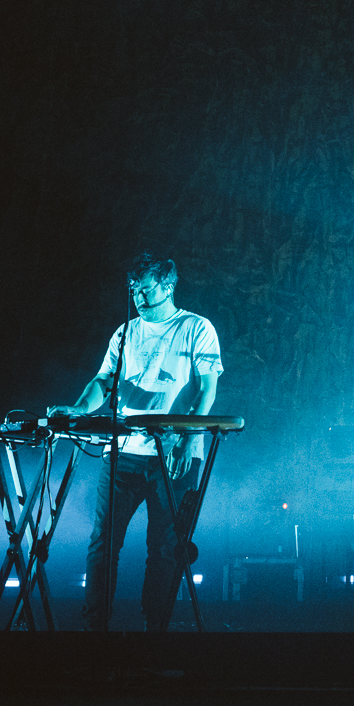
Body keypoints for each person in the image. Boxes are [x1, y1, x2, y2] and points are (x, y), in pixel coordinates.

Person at [50, 254, 222, 632]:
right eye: (134, 290)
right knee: (102, 543)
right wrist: (79, 408)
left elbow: (207, 390)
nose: (139, 296)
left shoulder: (197, 328)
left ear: (168, 285)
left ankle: (153, 629)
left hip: (174, 457)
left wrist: (184, 436)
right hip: (123, 454)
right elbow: (105, 380)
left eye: (146, 289)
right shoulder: (125, 332)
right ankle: (95, 628)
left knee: (164, 546)